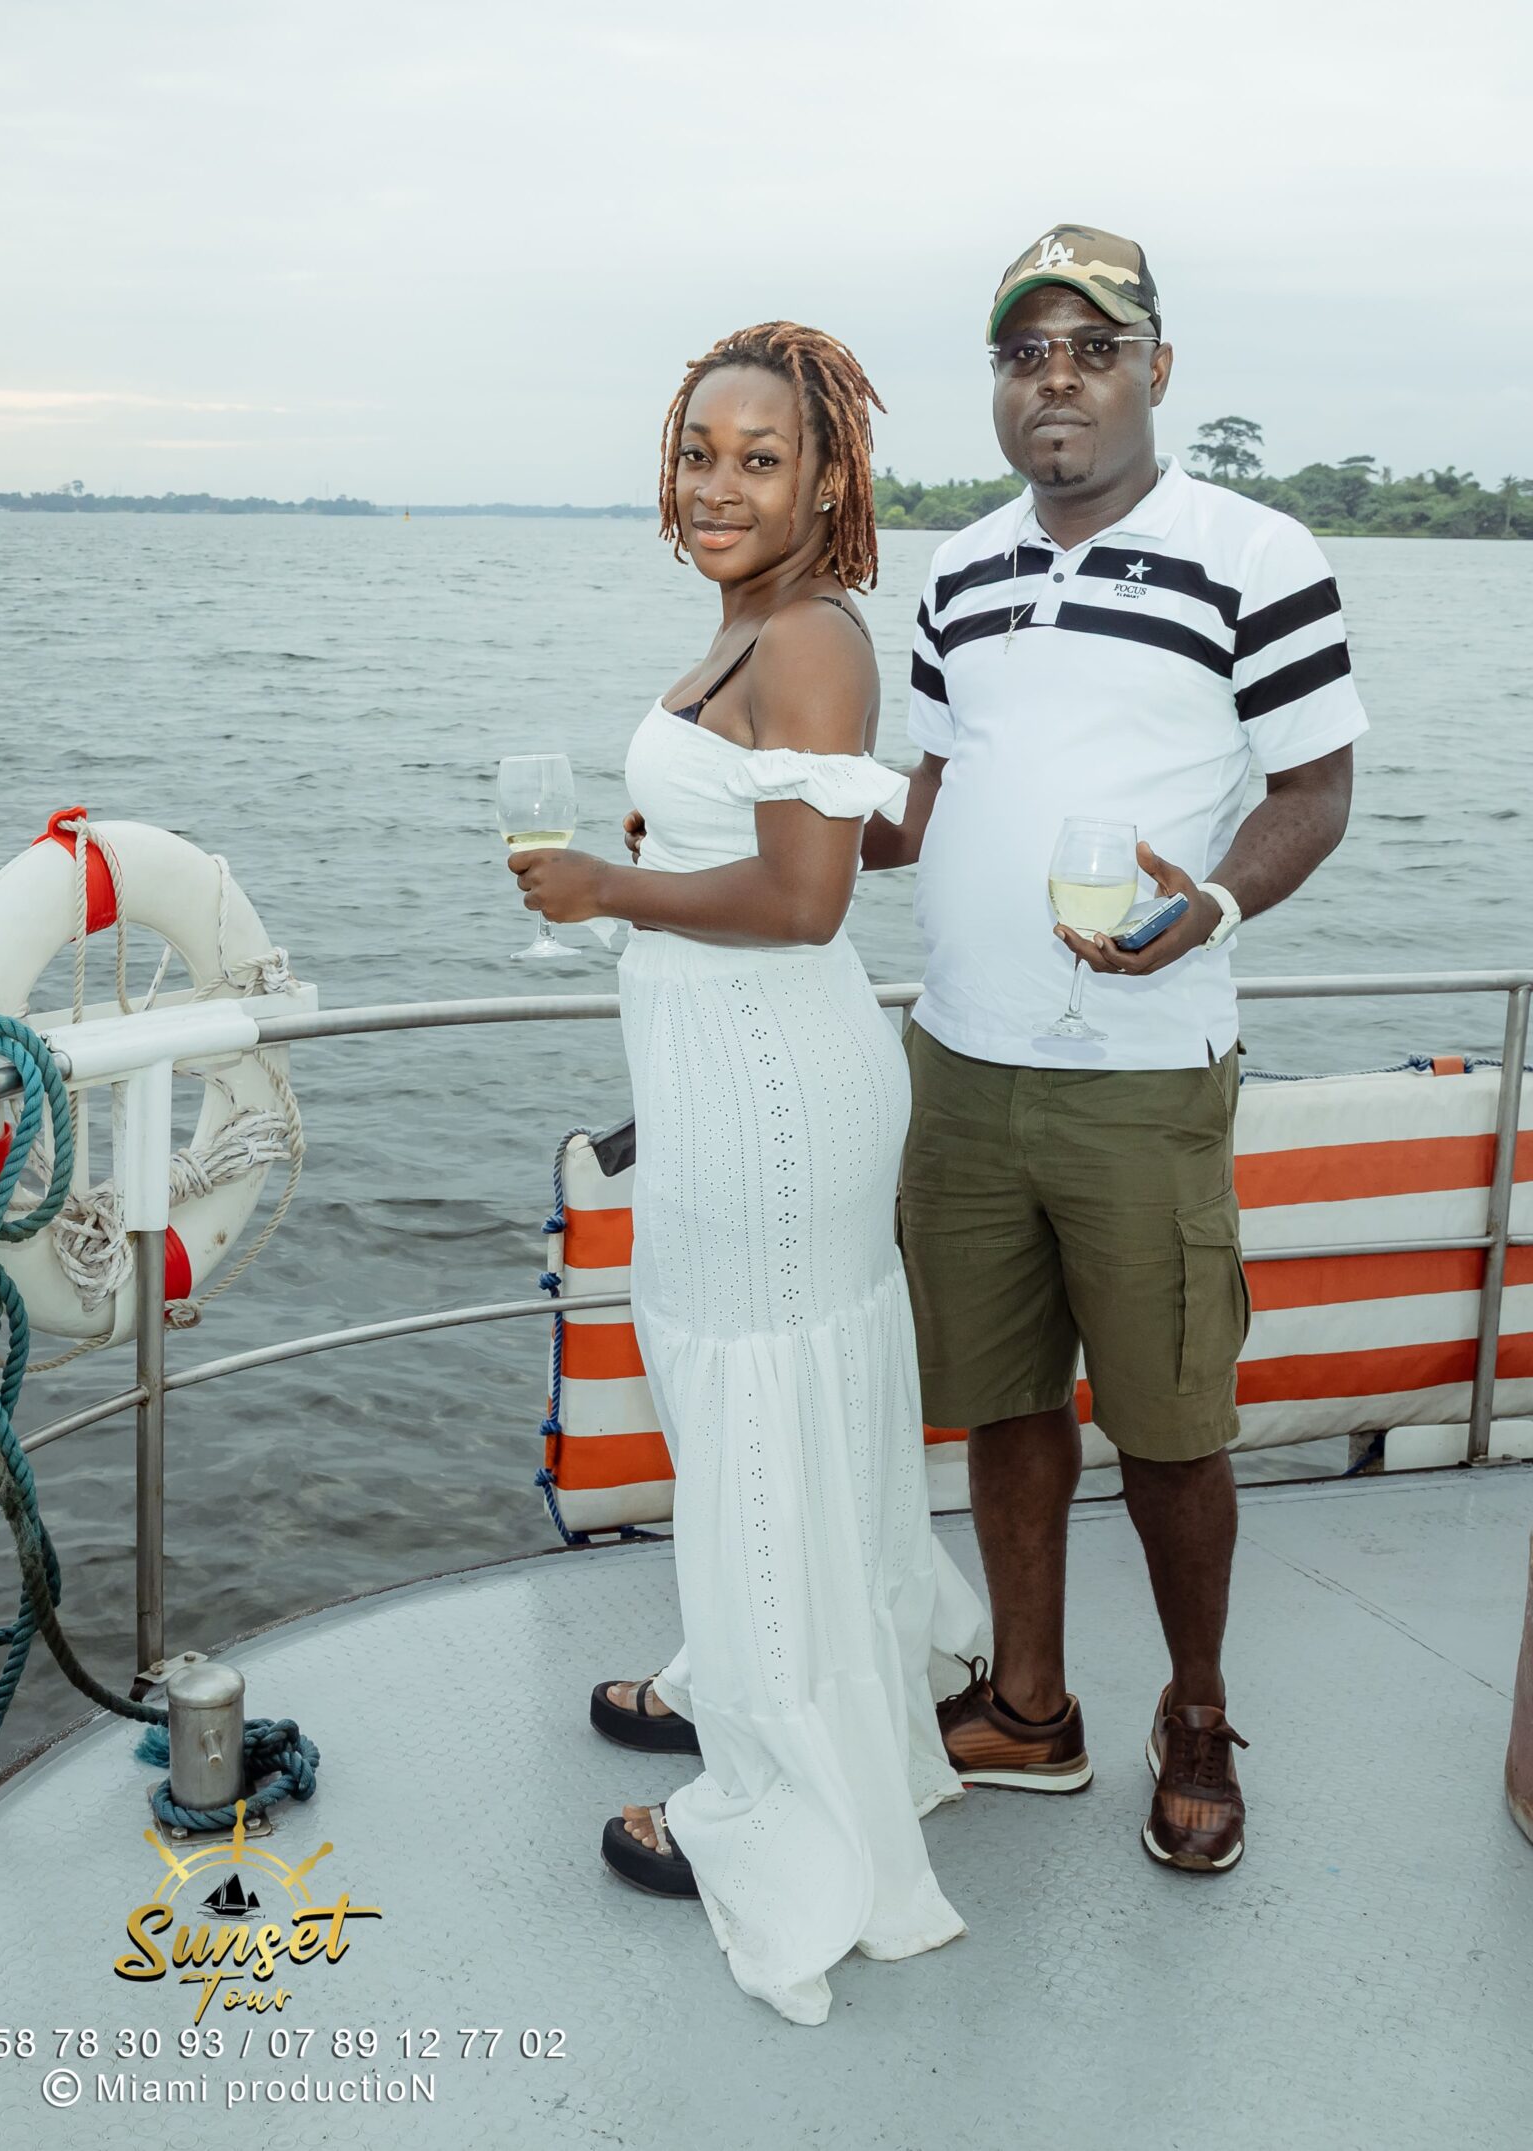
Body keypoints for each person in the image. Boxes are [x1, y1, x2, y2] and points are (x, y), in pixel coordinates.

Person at [861, 226, 1364, 1873]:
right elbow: (931, 796)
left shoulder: (1257, 553)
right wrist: (770, 813)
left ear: (1157, 371)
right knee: (1003, 1401)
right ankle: (1029, 1705)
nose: (1056, 380)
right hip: (961, 1060)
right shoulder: (957, 570)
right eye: (1026, 354)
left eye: (1093, 347)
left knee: (1170, 1421)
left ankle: (1196, 1710)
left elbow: (1314, 793)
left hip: (1145, 1070)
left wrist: (1209, 905)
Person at [510, 321, 981, 2026]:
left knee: (758, 1413)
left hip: (772, 1086)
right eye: (699, 452)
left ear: (825, 478)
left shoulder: (809, 637)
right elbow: (815, 834)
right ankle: (753, 1677)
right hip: (731, 1072)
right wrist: (669, 849)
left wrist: (607, 887)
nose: (719, 485)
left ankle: (792, 1804)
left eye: (759, 458)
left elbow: (806, 900)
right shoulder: (749, 623)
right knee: (757, 1412)